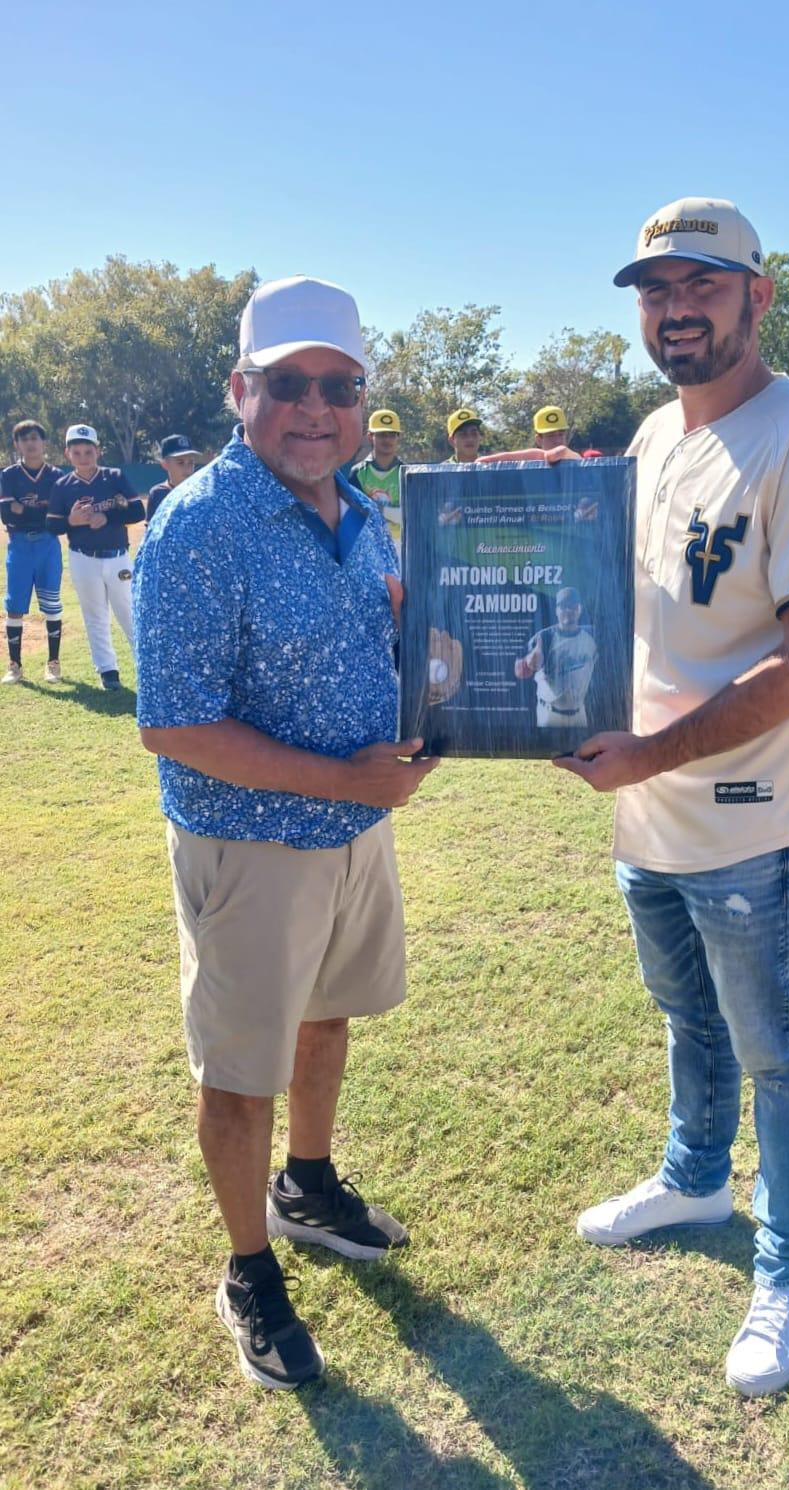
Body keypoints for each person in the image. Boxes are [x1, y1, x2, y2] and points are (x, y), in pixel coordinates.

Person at [556, 197, 789, 1397]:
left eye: (699, 283)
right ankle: (696, 1177)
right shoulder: (648, 434)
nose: (673, 307)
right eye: (652, 289)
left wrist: (652, 750)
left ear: (758, 295)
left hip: (746, 814)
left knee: (775, 1050)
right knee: (686, 1021)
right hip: (650, 809)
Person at [133, 275, 438, 1391]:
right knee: (240, 1071)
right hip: (252, 843)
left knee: (326, 1022)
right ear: (239, 388)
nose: (318, 408)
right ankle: (248, 1266)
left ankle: (307, 1185)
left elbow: (398, 634)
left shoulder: (359, 509)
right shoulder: (199, 522)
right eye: (290, 383)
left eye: (340, 386)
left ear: (363, 401)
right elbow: (174, 723)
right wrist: (337, 776)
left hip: (357, 828)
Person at [47, 424, 145, 691]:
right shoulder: (62, 486)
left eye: (88, 451)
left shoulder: (114, 477)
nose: (83, 457)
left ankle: (146, 666)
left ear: (97, 451)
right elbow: (53, 526)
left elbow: (137, 511)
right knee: (95, 615)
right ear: (68, 454)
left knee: (129, 611)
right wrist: (71, 520)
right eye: (76, 452)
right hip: (83, 558)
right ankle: (108, 671)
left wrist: (108, 516)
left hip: (118, 557)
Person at [1, 420, 64, 684]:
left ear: (44, 442)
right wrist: (41, 509)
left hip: (48, 543)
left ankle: (53, 663)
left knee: (51, 604)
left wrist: (23, 509)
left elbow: (58, 518)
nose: (30, 443)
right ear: (17, 444)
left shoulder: (56, 475)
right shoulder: (8, 475)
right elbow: (5, 511)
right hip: (19, 544)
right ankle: (14, 665)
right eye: (24, 439)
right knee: (15, 606)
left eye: (35, 438)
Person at [514, 586, 597, 726]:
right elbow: (519, 671)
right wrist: (529, 663)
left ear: (580, 609)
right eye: (563, 607)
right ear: (556, 610)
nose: (568, 611)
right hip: (550, 714)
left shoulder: (593, 636)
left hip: (579, 714)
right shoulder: (544, 637)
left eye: (572, 606)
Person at [350, 408, 403, 546]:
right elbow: (355, 516)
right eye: (381, 435)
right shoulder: (357, 474)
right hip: (369, 546)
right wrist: (393, 513)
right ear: (370, 437)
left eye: (392, 435)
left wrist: (382, 510)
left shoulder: (406, 474)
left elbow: (412, 517)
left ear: (398, 437)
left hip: (400, 545)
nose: (387, 440)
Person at [147, 434, 201, 522]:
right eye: (180, 463)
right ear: (165, 464)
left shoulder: (201, 491)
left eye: (191, 462)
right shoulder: (158, 493)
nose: (187, 468)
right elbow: (151, 531)